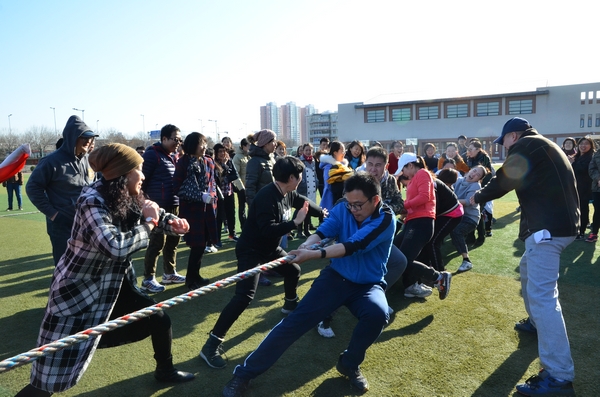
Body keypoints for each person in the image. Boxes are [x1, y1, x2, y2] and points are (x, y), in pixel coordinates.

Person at [15, 144, 194, 397]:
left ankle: (165, 370)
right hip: (79, 293)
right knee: (48, 375)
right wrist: (151, 223)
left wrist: (170, 222)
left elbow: (148, 209)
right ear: (122, 174)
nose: (143, 176)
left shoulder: (125, 192)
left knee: (159, 318)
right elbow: (115, 246)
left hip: (113, 286)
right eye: (138, 170)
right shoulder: (92, 201)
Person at [221, 173, 395, 396]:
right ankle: (243, 375)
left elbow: (355, 245)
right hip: (336, 278)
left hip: (368, 285)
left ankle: (349, 363)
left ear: (376, 201)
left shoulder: (386, 219)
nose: (353, 210)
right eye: (350, 204)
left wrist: (313, 255)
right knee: (294, 322)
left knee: (378, 314)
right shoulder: (344, 208)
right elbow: (324, 231)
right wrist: (305, 245)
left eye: (358, 205)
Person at [471, 117, 578, 396]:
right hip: (558, 227)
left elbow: (505, 178)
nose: (503, 147)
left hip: (547, 230)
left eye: (504, 141)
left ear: (514, 136)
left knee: (544, 297)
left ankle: (558, 376)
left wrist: (477, 197)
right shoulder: (541, 144)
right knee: (528, 269)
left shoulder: (527, 145)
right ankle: (535, 322)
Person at [199, 157, 325, 370]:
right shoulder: (268, 197)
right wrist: (295, 222)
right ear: (292, 178)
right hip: (251, 251)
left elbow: (303, 201)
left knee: (293, 269)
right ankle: (211, 345)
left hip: (269, 248)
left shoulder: (287, 192)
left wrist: (321, 212)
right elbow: (268, 229)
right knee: (244, 297)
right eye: (300, 176)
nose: (301, 179)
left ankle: (290, 304)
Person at [317, 148, 407, 338]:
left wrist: (381, 211)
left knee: (399, 262)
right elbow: (343, 203)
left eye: (378, 165)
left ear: (386, 166)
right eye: (370, 164)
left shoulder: (390, 181)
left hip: (379, 233)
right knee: (344, 271)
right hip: (354, 232)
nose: (374, 169)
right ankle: (325, 315)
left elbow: (400, 204)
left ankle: (374, 298)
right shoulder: (357, 178)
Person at [26, 115, 98, 266]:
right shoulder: (51, 161)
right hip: (62, 225)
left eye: (91, 138)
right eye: (84, 137)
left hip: (86, 223)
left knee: (85, 266)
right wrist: (54, 215)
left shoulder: (88, 159)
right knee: (64, 267)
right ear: (72, 137)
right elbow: (33, 188)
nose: (88, 141)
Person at [393, 153, 452, 300]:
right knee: (394, 251)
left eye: (404, 169)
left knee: (403, 260)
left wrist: (404, 205)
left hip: (421, 222)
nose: (404, 173)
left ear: (411, 165)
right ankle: (411, 286)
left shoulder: (422, 173)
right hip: (414, 221)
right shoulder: (416, 178)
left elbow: (425, 196)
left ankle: (438, 277)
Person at [140, 124, 186, 293]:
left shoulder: (172, 156)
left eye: (180, 140)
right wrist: (146, 204)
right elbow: (142, 181)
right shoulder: (152, 155)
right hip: (157, 207)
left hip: (173, 204)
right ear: (164, 138)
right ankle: (148, 278)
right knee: (156, 244)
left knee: (173, 241)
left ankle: (169, 273)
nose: (178, 143)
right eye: (175, 139)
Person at [173, 132, 218, 290]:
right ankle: (190, 279)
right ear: (192, 145)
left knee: (203, 243)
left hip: (207, 209)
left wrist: (211, 196)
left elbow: (212, 183)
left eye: (205, 143)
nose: (204, 147)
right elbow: (177, 187)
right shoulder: (183, 163)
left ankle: (195, 275)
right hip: (192, 210)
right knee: (196, 245)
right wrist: (199, 196)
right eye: (201, 143)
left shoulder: (208, 161)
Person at [450, 166, 487, 272]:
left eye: (478, 175)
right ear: (470, 170)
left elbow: (468, 202)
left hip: (470, 218)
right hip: (457, 215)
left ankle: (466, 261)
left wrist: (450, 200)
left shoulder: (476, 185)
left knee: (456, 231)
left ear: (479, 179)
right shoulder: (459, 180)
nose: (474, 174)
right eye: (474, 171)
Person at [569, 136, 595, 240]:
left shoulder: (591, 157)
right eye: (581, 144)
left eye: (586, 144)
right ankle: (580, 227)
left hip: (586, 187)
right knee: (577, 208)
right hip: (576, 187)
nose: (583, 146)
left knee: (583, 208)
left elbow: (584, 170)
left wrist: (572, 163)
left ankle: (582, 231)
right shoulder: (576, 156)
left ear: (591, 145)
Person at [214, 143, 239, 245]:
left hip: (229, 192)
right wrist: (224, 168)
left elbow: (235, 175)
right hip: (218, 194)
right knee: (219, 216)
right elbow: (217, 177)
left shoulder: (229, 161)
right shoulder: (213, 162)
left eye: (223, 151)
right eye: (219, 151)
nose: (222, 153)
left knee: (231, 214)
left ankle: (232, 234)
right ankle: (217, 239)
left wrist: (226, 177)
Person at [245, 129, 277, 208]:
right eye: (273, 141)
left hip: (272, 203)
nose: (276, 144)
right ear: (265, 144)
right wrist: (253, 208)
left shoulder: (271, 160)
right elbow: (250, 188)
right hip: (261, 206)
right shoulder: (254, 162)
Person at [320, 141, 352, 211]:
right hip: (331, 198)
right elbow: (328, 182)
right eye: (342, 151)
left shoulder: (344, 165)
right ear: (335, 152)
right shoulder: (328, 166)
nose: (344, 153)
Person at [297, 143, 318, 238]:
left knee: (309, 210)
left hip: (312, 188)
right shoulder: (299, 161)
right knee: (301, 210)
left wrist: (316, 183)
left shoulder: (313, 161)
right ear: (303, 151)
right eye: (306, 150)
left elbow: (315, 174)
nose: (308, 152)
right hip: (303, 189)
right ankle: (299, 231)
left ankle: (307, 229)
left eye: (310, 150)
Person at [232, 138, 250, 228]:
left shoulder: (250, 156)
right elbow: (236, 174)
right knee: (242, 207)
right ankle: (244, 226)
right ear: (243, 146)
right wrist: (241, 187)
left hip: (251, 186)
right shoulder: (237, 157)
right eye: (249, 145)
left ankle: (251, 225)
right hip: (242, 186)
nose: (251, 147)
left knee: (252, 206)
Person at [586, 146, 600, 243]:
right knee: (598, 210)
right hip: (597, 188)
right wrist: (598, 178)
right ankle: (594, 233)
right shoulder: (597, 153)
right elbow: (592, 168)